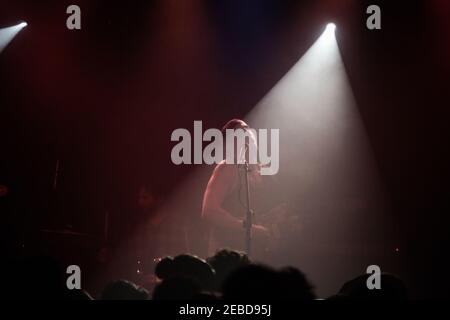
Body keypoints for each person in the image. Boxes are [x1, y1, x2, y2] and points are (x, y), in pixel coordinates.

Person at [201, 119, 284, 260]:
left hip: (254, 256)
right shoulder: (228, 167)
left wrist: (273, 222)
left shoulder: (260, 170)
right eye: (241, 132)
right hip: (227, 258)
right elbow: (209, 211)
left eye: (248, 129)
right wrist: (248, 228)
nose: (249, 134)